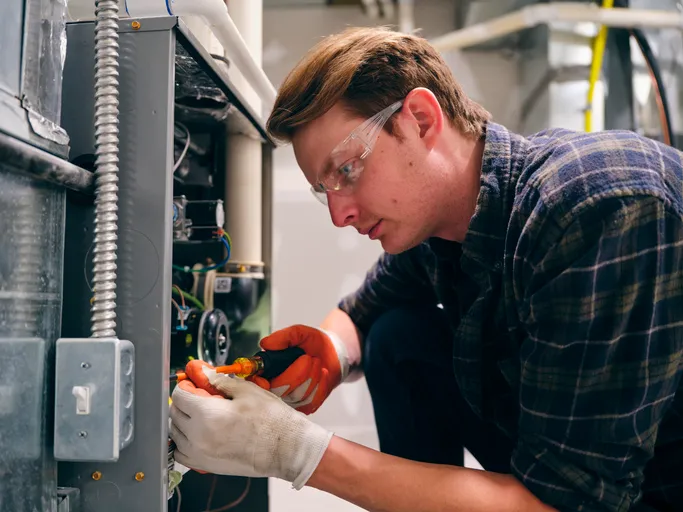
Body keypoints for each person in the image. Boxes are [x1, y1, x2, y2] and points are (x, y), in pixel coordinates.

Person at [169, 26, 683, 512]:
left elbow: (567, 504)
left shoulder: (595, 209)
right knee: (398, 336)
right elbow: (364, 314)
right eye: (324, 189)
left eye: (347, 170)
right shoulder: (442, 225)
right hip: (568, 486)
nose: (339, 214)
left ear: (420, 119)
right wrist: (329, 352)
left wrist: (293, 450)